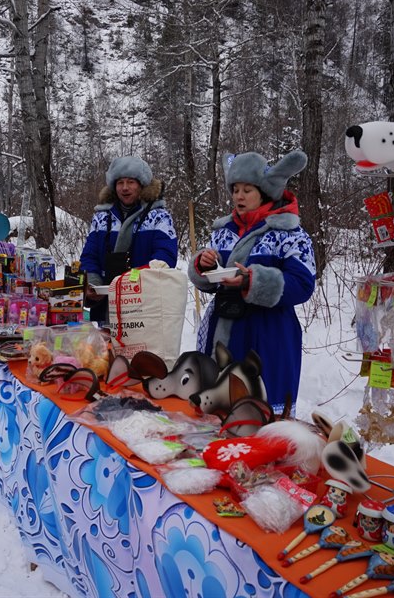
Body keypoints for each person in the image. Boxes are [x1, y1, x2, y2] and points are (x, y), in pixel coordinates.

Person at [189, 151, 315, 417]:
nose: (239, 196)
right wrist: (204, 264)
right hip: (223, 328)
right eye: (235, 190)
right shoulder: (223, 231)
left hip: (267, 333)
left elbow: (303, 283)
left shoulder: (289, 233)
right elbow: (209, 279)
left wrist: (253, 281)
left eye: (247, 190)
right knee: (217, 412)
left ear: (264, 193)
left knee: (260, 413)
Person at [79, 156, 178, 323]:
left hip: (145, 305)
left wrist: (132, 280)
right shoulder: (101, 217)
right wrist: (93, 283)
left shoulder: (159, 217)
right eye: (120, 183)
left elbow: (165, 256)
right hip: (107, 305)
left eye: (131, 182)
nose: (125, 188)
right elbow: (89, 256)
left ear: (141, 184)